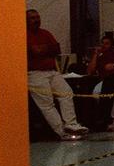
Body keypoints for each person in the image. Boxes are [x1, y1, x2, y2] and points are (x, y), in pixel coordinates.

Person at [25, 9, 89, 140]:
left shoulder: (45, 33)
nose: (36, 20)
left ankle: (71, 124)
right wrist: (44, 49)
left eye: (38, 17)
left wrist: (42, 49)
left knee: (66, 93)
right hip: (34, 74)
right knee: (47, 103)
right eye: (32, 18)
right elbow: (34, 51)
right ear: (26, 20)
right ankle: (62, 132)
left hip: (52, 71)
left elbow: (56, 49)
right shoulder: (23, 35)